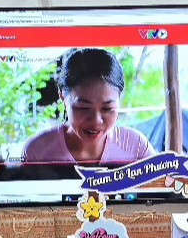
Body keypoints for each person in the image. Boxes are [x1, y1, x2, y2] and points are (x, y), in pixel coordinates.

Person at [21, 49, 152, 165]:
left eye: (107, 108)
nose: (96, 121)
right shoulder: (37, 153)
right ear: (62, 96)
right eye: (83, 108)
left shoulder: (137, 149)